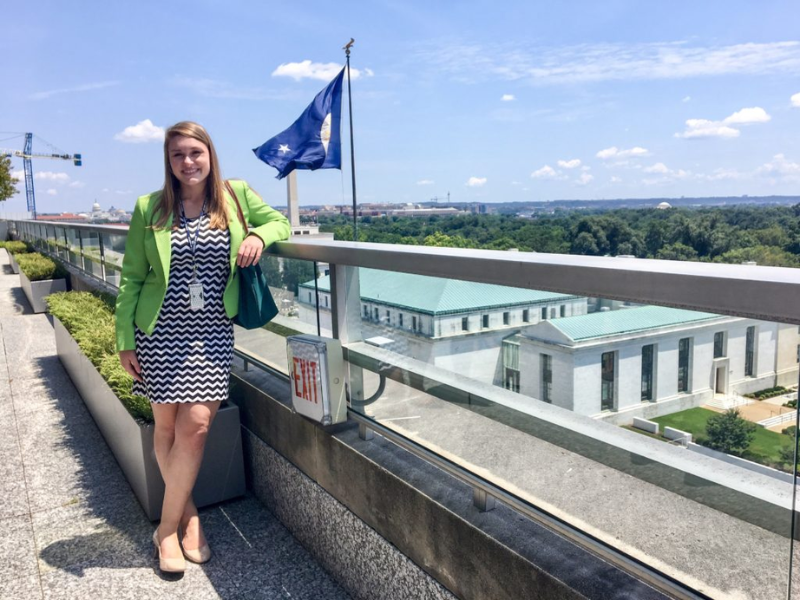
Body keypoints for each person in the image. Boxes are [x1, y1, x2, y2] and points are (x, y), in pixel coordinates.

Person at [115, 121, 290, 574]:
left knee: (195, 427)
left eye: (195, 152)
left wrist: (257, 236)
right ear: (168, 162)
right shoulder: (149, 207)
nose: (188, 162)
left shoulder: (234, 196)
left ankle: (164, 529)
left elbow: (280, 222)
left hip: (211, 332)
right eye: (178, 155)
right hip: (158, 332)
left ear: (210, 154)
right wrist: (124, 341)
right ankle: (188, 517)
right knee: (167, 429)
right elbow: (132, 277)